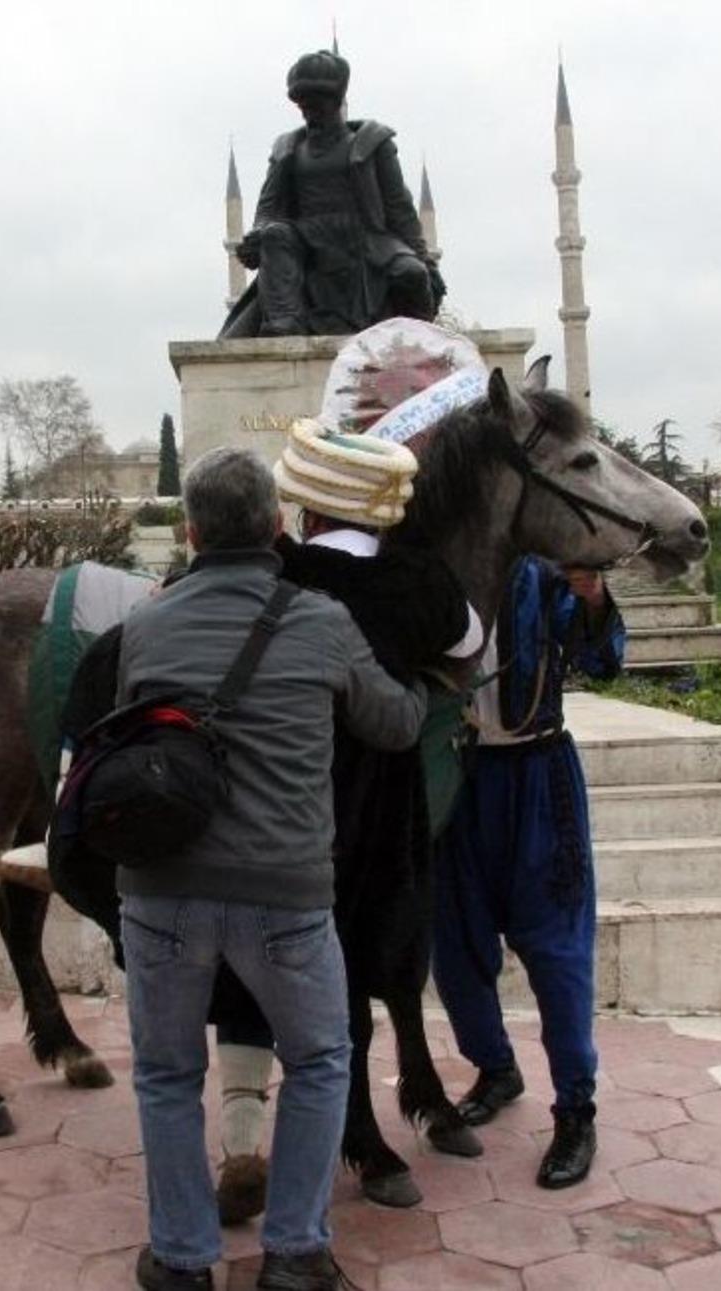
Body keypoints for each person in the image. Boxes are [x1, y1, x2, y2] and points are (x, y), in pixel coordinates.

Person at [118, 446, 428, 1291]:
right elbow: (395, 723)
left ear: (189, 531)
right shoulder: (322, 620)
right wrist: (430, 683)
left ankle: (181, 1259)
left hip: (162, 892)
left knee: (166, 1072)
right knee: (323, 1059)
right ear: (278, 526)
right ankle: (294, 1251)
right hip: (285, 894)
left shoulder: (147, 622)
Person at [213, 410, 482, 1218]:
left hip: (275, 801)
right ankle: (357, 1138)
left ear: (310, 505)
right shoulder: (420, 580)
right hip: (383, 805)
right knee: (375, 954)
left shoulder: (278, 573)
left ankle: (254, 1127)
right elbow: (470, 646)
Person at [432, 556, 625, 1189]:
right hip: (456, 780)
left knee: (558, 951)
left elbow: (602, 660)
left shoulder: (544, 575)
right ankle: (494, 1067)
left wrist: (593, 596)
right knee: (454, 946)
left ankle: (576, 1109)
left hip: (539, 778)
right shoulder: (432, 571)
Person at [220, 49, 444, 338]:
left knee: (411, 274)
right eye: (304, 105)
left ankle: (422, 342)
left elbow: (399, 208)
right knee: (275, 234)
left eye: (316, 104)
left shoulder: (373, 144)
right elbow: (269, 207)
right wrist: (258, 233)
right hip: (307, 237)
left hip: (365, 237)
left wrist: (424, 260)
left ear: (336, 102)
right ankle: (285, 323)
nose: (309, 112)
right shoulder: (288, 150)